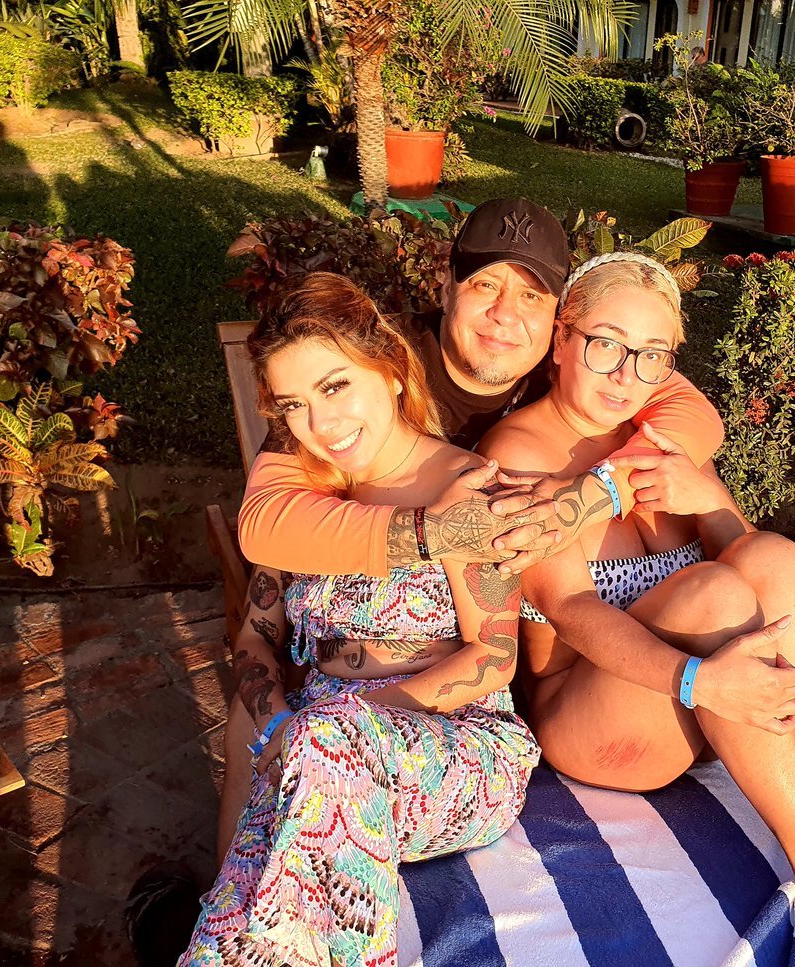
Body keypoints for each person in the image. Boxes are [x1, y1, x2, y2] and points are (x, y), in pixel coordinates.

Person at [478, 252, 795, 961]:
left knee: (772, 554)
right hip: (591, 720)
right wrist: (701, 681)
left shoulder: (656, 434)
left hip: (694, 705)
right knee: (712, 591)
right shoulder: (519, 453)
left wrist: (705, 498)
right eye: (605, 345)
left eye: (651, 356)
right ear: (561, 340)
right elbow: (569, 608)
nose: (626, 375)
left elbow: (753, 557)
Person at [218, 197, 725, 857]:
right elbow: (265, 521)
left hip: (481, 695)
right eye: (485, 285)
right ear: (445, 286)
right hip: (378, 677)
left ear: (559, 324)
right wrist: (430, 531)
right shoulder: (367, 381)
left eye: (531, 296)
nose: (506, 315)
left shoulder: (577, 369)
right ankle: (226, 896)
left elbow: (692, 413)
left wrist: (593, 493)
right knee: (274, 740)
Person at [180, 273, 540, 966]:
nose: (321, 425)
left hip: (456, 742)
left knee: (322, 746)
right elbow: (257, 633)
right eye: (294, 405)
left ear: (392, 370)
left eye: (335, 386)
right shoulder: (302, 497)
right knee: (288, 761)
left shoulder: (465, 487)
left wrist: (341, 723)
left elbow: (493, 658)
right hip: (316, 741)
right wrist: (277, 721)